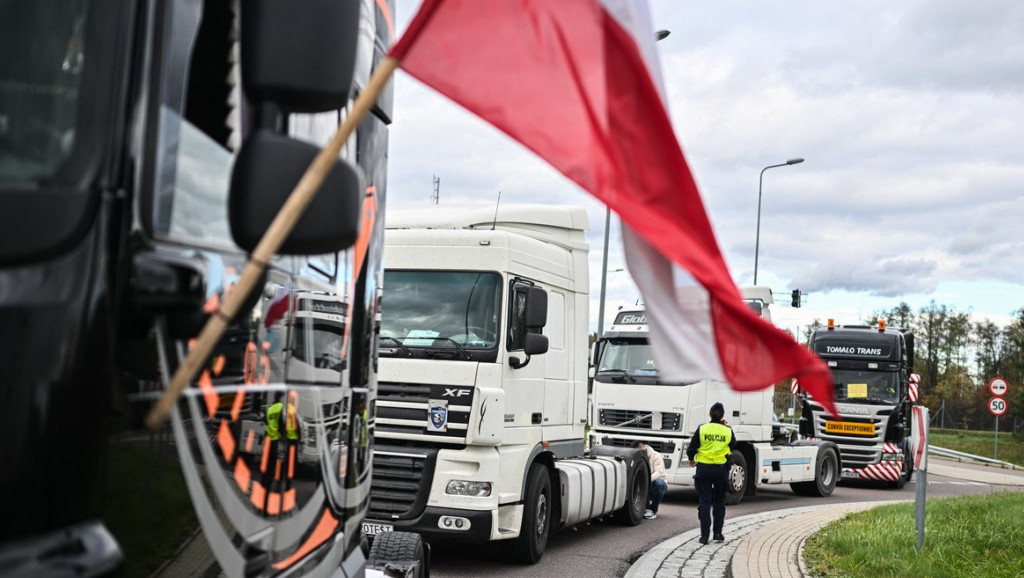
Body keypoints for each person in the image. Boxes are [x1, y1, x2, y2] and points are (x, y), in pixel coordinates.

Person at [686, 402, 736, 544]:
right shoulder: (727, 430)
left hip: (704, 469)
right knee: (720, 501)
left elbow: (691, 448)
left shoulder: (702, 429)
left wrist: (691, 459)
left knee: (704, 502)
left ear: (709, 414)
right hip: (721, 470)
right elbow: (733, 444)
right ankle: (718, 533)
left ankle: (704, 536)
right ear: (722, 415)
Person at [634, 441, 667, 519]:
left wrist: (646, 480)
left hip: (653, 483)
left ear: (644, 448)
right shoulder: (636, 456)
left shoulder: (656, 455)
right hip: (640, 483)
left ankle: (652, 510)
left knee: (660, 484)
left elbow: (659, 472)